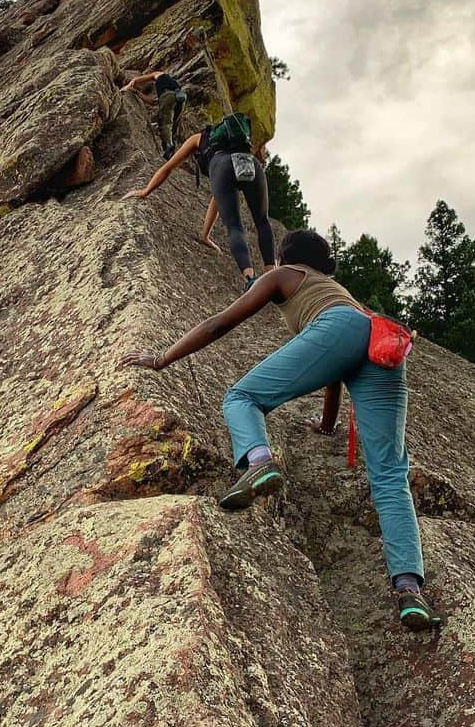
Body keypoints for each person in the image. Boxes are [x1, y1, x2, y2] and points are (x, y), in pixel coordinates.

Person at [120, 227, 438, 630]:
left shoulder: (284, 275)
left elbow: (221, 323)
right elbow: (338, 366)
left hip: (342, 331)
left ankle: (260, 460)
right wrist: (327, 425)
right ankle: (409, 590)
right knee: (390, 476)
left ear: (287, 257)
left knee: (241, 398)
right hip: (382, 339)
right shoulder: (338, 291)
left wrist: (163, 358)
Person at [122, 126, 276, 289]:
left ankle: (250, 279)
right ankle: (272, 274)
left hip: (222, 166)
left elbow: (168, 167)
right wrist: (205, 236)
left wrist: (146, 191)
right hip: (250, 163)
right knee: (262, 222)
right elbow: (217, 198)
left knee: (234, 225)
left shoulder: (198, 138)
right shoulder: (237, 143)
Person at [120, 70, 187, 158]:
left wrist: (127, 87)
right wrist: (137, 92)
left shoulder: (159, 74)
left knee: (165, 123)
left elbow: (135, 80)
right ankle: (172, 149)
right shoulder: (172, 84)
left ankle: (168, 146)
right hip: (181, 98)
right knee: (174, 125)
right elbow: (153, 102)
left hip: (168, 97)